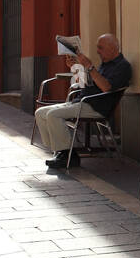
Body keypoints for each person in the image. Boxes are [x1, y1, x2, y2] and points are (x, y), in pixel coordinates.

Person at [34, 33, 132, 168]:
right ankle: (60, 151)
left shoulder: (122, 66)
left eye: (100, 48)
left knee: (53, 115)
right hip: (82, 101)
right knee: (40, 112)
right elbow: (84, 84)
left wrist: (90, 67)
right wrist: (74, 68)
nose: (97, 51)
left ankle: (69, 155)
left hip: (95, 107)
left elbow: (106, 88)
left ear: (113, 48)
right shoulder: (105, 64)